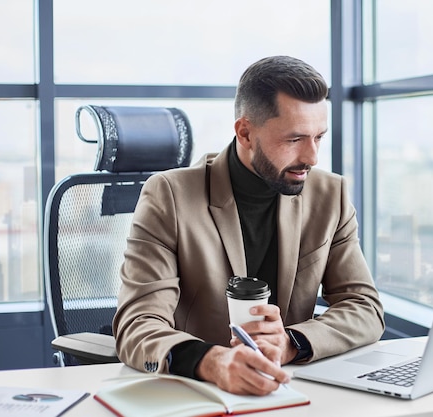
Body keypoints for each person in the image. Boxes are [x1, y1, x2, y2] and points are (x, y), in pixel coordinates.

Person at [113, 55, 385, 396]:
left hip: (287, 390)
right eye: (294, 139)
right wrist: (211, 362)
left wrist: (291, 342)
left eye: (319, 137)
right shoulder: (170, 195)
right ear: (245, 133)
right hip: (199, 394)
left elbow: (364, 307)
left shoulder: (331, 195)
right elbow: (137, 325)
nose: (312, 157)